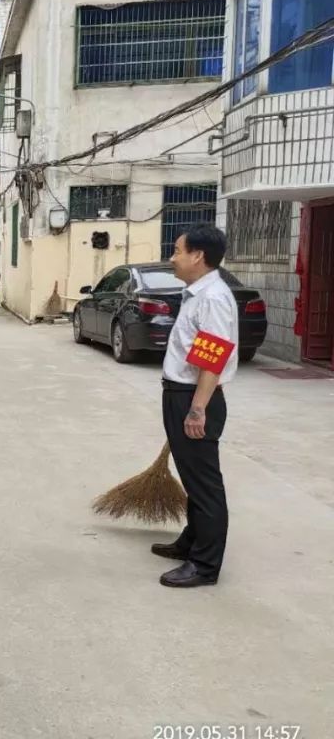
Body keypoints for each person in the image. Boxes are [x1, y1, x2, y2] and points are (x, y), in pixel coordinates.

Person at [153, 226, 239, 588]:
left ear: (198, 256)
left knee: (204, 484)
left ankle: (205, 565)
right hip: (182, 393)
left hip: (194, 397)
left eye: (177, 251)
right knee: (192, 477)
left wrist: (197, 408)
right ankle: (191, 541)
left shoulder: (213, 298)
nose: (172, 258)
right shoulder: (198, 293)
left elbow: (212, 360)